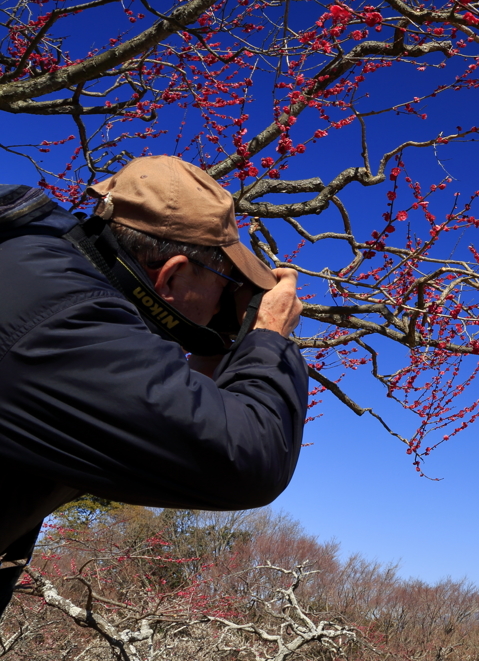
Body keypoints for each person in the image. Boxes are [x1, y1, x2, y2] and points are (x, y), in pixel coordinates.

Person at [0, 156, 308, 616]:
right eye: (225, 286)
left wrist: (214, 345)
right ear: (172, 275)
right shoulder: (62, 324)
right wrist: (267, 336)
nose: (227, 305)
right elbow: (249, 459)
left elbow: (167, 416)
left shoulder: (37, 267)